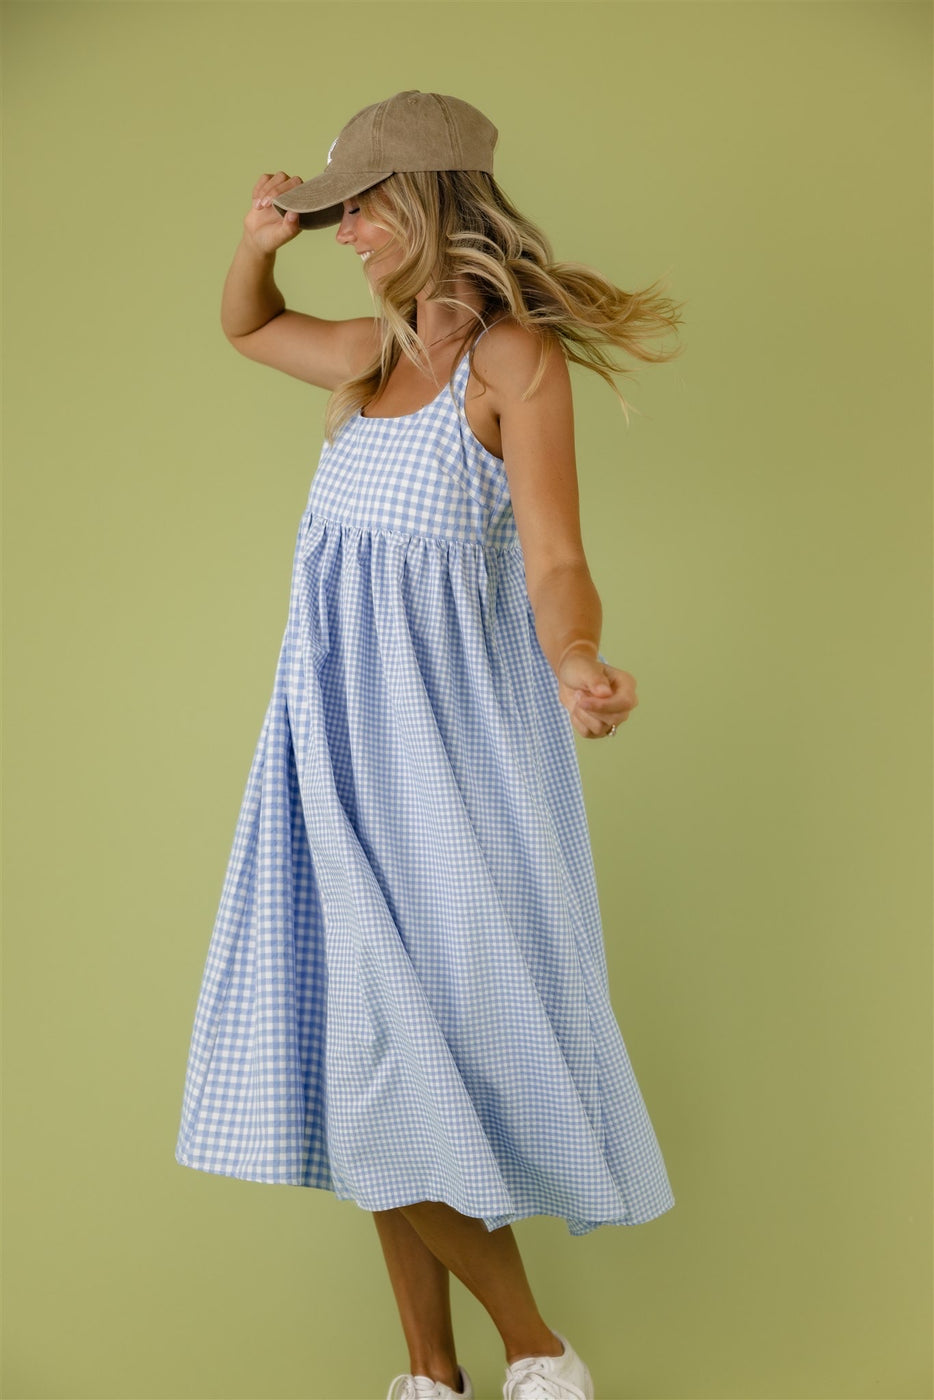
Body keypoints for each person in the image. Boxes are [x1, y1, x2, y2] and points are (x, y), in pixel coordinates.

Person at [175, 90, 685, 1400]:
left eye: (364, 209)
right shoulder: (361, 356)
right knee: (362, 1056)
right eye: (336, 213)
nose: (347, 233)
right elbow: (243, 321)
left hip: (446, 776)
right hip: (326, 765)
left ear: (432, 202)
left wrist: (576, 659)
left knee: (398, 1069)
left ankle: (535, 1353)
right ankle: (430, 1377)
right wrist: (258, 238)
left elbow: (557, 555)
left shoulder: (509, 364)